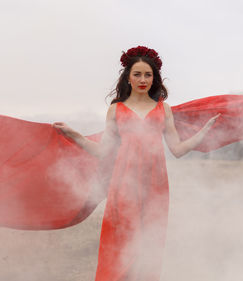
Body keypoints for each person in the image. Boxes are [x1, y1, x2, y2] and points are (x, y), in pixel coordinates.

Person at [53, 46, 220, 281]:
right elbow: (104, 152)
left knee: (149, 244)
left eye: (148, 75)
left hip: (155, 184)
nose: (143, 80)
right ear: (128, 78)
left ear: (155, 78)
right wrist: (74, 135)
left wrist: (203, 133)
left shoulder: (164, 109)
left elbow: (177, 149)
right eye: (137, 74)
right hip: (124, 184)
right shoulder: (115, 110)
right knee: (122, 241)